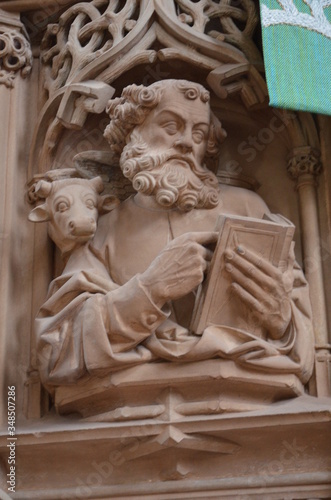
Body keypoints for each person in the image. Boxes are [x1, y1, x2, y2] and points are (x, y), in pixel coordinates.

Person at [35, 79, 314, 394]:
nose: (186, 143)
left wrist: (282, 319)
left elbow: (305, 351)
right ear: (134, 133)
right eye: (171, 126)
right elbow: (55, 352)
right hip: (131, 408)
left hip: (248, 399)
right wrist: (150, 289)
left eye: (198, 133)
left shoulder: (248, 209)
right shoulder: (104, 231)